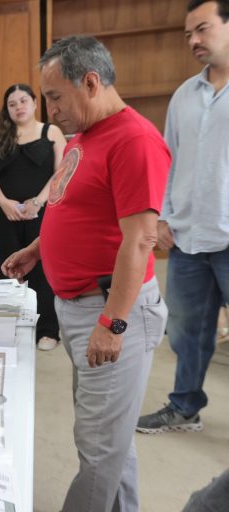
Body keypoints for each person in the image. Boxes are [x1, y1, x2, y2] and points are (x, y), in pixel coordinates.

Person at [1, 36, 170, 511]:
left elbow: (140, 239)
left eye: (54, 96)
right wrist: (39, 248)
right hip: (78, 306)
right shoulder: (84, 136)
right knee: (110, 439)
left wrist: (112, 322)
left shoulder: (134, 140)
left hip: (111, 310)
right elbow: (71, 207)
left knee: (97, 451)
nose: (48, 108)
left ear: (91, 83)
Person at [136, 0, 229, 436]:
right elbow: (168, 161)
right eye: (188, 33)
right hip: (190, 237)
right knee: (185, 332)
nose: (193, 40)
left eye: (203, 29)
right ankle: (185, 407)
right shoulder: (183, 96)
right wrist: (161, 217)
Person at [0, 83, 67, 351]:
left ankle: (47, 330)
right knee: (7, 267)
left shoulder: (50, 131)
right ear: (6, 109)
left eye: (23, 101)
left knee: (42, 268)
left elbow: (61, 172)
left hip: (41, 212)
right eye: (12, 103)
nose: (18, 107)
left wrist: (37, 202)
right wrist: (4, 202)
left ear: (33, 102)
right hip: (6, 213)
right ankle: (11, 326)